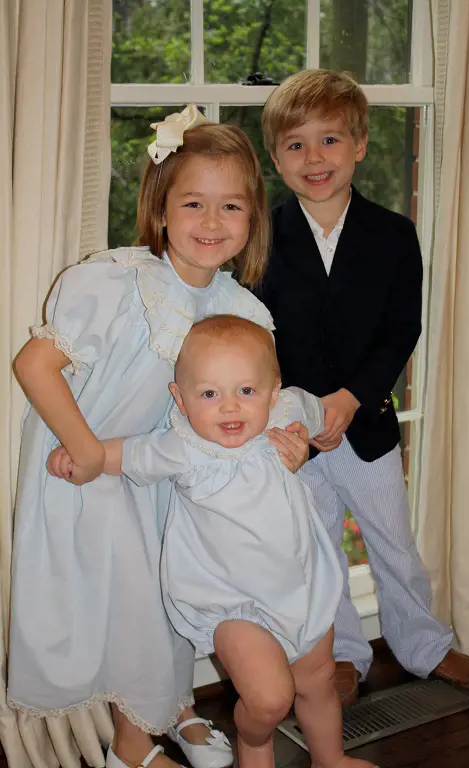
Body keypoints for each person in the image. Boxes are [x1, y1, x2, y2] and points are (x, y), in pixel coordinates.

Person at [8, 107, 308, 768]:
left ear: (252, 217)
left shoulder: (239, 309)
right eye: (192, 203)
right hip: (89, 465)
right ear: (161, 207)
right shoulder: (115, 284)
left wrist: (290, 438)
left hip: (169, 473)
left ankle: (168, 710)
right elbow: (35, 365)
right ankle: (133, 746)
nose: (209, 222)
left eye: (230, 206)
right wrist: (87, 452)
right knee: (133, 606)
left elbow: (264, 395)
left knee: (169, 600)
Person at [53, 314, 379, 768]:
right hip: (232, 604)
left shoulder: (284, 412)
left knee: (318, 682)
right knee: (269, 699)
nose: (230, 407)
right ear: (181, 400)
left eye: (246, 391)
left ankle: (331, 757)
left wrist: (311, 440)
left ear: (273, 387)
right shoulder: (183, 447)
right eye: (210, 394)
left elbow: (320, 413)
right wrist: (78, 456)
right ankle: (255, 741)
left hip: (301, 587)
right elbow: (123, 454)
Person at [255, 69, 469, 705]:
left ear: (358, 144)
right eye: (296, 145)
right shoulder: (260, 236)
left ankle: (425, 646)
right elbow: (253, 335)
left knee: (394, 544)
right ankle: (345, 656)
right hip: (295, 435)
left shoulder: (393, 234)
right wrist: (287, 409)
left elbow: (399, 330)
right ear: (276, 158)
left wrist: (351, 397)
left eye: (330, 140)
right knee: (319, 554)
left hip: (368, 428)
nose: (315, 158)